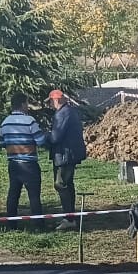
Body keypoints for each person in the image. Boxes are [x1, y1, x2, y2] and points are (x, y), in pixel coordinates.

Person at [0, 94, 47, 219]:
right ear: (22, 105)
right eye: (27, 103)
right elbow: (41, 140)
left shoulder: (5, 123)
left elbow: (2, 142)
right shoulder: (29, 121)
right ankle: (38, 224)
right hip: (29, 164)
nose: (28, 106)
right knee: (34, 196)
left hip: (13, 164)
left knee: (13, 194)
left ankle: (11, 223)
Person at [48, 89, 86, 224]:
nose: (50, 105)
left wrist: (44, 136)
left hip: (64, 155)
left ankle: (69, 218)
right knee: (68, 184)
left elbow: (55, 137)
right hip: (70, 154)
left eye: (50, 101)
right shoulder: (70, 111)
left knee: (61, 184)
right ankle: (70, 216)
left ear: (56, 100)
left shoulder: (62, 114)